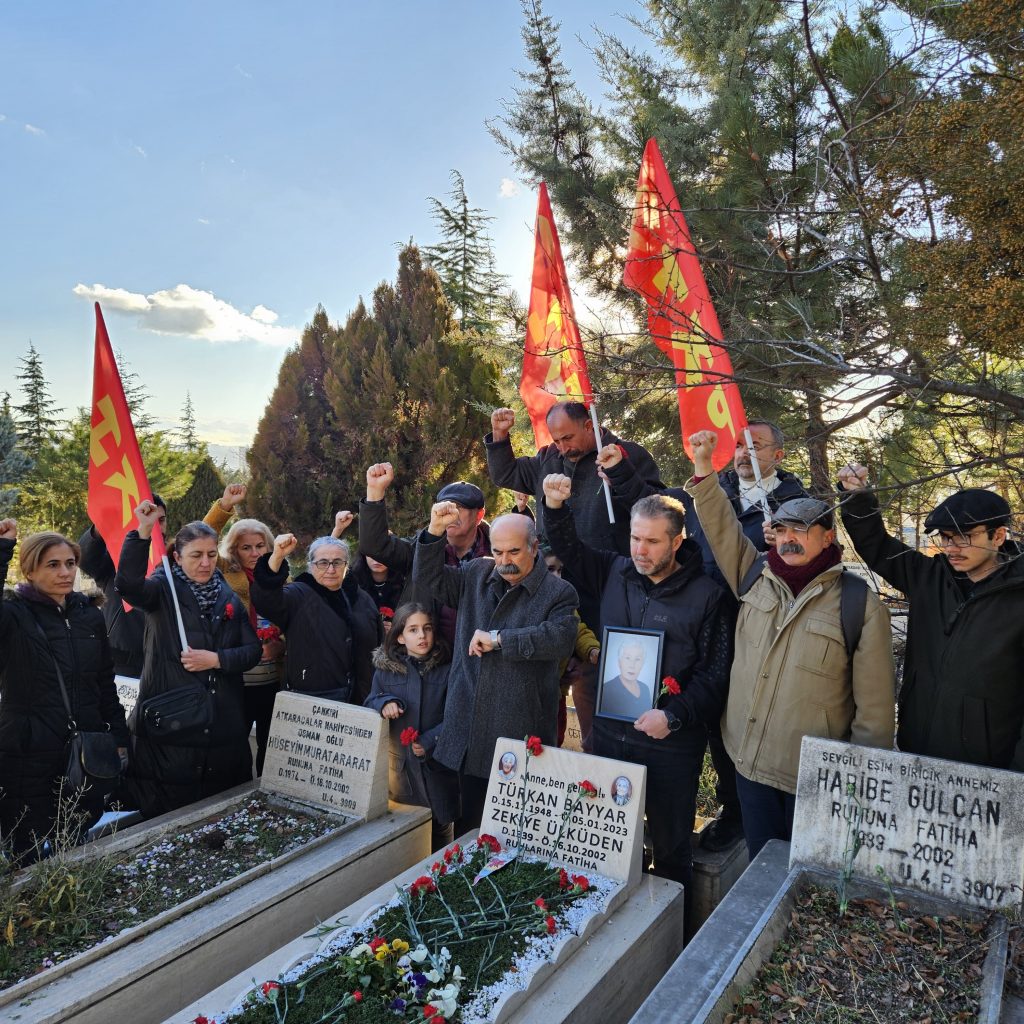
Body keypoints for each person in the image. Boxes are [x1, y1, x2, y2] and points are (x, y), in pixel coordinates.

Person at [596, 421, 808, 851]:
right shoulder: (709, 487)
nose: (745, 453)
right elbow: (656, 508)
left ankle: (736, 817)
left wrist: (782, 542)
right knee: (703, 718)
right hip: (698, 613)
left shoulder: (797, 504)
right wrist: (619, 472)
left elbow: (810, 555)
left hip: (756, 627)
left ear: (779, 456)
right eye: (740, 446)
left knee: (733, 729)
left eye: (757, 446)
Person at [686, 431, 896, 859]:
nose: (789, 539)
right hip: (748, 765)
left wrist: (857, 782)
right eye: (781, 530)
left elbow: (874, 713)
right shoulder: (754, 575)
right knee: (761, 868)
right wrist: (705, 469)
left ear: (827, 538)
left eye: (801, 530)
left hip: (813, 779)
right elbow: (722, 530)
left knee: (804, 875)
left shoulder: (858, 603)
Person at [542, 475, 732, 890]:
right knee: (609, 842)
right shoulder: (615, 571)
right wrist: (555, 507)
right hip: (610, 732)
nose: (640, 551)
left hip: (669, 742)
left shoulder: (707, 596)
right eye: (634, 539)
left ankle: (671, 939)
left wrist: (674, 715)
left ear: (677, 542)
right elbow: (569, 548)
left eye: (652, 542)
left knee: (670, 850)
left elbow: (716, 674)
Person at [838, 465, 1024, 770]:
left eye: (965, 537)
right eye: (946, 538)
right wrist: (857, 497)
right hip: (917, 751)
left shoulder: (1018, 595)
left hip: (988, 770)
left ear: (999, 535)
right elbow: (877, 546)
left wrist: (1016, 780)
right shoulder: (930, 577)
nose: (952, 548)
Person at [411, 505, 578, 834]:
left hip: (520, 723)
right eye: (498, 551)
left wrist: (501, 639)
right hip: (470, 725)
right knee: (470, 827)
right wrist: (432, 531)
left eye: (514, 551)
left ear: (533, 546)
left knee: (516, 829)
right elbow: (429, 579)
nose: (504, 561)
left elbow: (560, 639)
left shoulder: (559, 592)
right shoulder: (476, 573)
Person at [115, 502, 261, 819]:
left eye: (211, 554)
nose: (206, 563)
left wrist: (216, 659)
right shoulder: (160, 589)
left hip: (222, 726)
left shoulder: (227, 594)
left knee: (221, 815)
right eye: (196, 555)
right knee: (171, 816)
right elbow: (127, 586)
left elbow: (252, 652)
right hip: (172, 730)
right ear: (178, 557)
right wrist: (141, 532)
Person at [0, 520, 129, 861]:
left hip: (81, 751)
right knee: (24, 846)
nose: (65, 572)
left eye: (70, 563)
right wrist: (2, 550)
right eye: (52, 564)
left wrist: (118, 737)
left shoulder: (90, 617)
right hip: (27, 751)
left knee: (73, 837)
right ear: (29, 569)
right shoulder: (14, 615)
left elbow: (104, 683)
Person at [357, 462, 492, 643]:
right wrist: (375, 492)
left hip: (479, 659)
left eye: (459, 507)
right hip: (428, 662)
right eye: (445, 506)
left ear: (479, 515)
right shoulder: (420, 549)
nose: (450, 513)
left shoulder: (499, 554)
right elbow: (375, 545)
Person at [203, 484, 284, 776]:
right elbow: (200, 538)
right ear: (234, 549)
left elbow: (291, 618)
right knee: (234, 744)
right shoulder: (222, 572)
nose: (253, 553)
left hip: (273, 678)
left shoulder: (280, 577)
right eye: (246, 547)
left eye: (259, 546)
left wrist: (280, 645)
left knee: (270, 743)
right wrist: (224, 506)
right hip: (236, 678)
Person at [364, 603, 459, 850]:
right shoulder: (386, 672)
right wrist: (384, 703)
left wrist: (430, 740)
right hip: (402, 772)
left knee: (441, 828)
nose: (422, 636)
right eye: (413, 630)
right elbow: (371, 699)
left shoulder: (447, 670)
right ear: (400, 636)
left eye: (427, 629)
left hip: (437, 768)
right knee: (409, 836)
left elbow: (457, 715)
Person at [251, 532, 380, 704]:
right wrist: (277, 557)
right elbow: (267, 601)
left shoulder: (362, 599)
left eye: (337, 562)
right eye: (323, 563)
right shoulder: (298, 594)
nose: (331, 569)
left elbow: (378, 646)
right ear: (311, 566)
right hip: (311, 700)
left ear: (347, 566)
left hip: (359, 696)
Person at [78, 495, 167, 678]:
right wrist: (101, 527)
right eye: (150, 519)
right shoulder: (112, 560)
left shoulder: (175, 559)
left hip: (165, 661)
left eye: (161, 520)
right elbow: (85, 558)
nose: (155, 525)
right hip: (121, 663)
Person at [601, 640, 655, 720]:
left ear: (642, 664)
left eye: (637, 659)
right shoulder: (607, 689)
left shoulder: (645, 688)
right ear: (619, 662)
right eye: (627, 658)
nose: (632, 665)